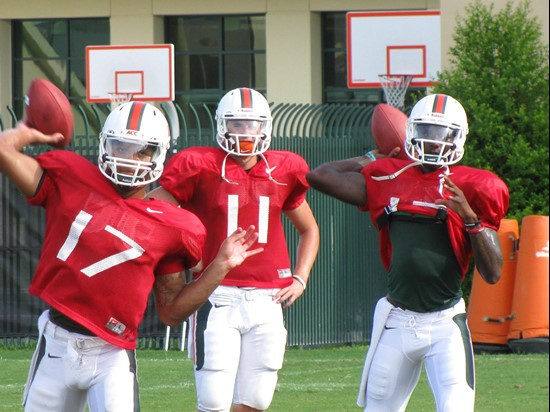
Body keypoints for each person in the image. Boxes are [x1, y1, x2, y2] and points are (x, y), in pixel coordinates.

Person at [0, 101, 263, 412]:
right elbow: (5, 152)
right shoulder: (71, 175)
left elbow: (171, 313)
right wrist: (25, 132)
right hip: (56, 342)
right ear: (104, 144)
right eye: (120, 146)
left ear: (159, 155)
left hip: (112, 354)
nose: (128, 159)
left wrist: (219, 267)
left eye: (142, 151)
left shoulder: (175, 225)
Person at [306, 94, 509, 412]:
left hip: (445, 323)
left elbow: (493, 273)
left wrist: (470, 219)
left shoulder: (476, 185)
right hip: (397, 321)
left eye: (442, 134)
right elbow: (319, 176)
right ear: (411, 132)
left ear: (458, 137)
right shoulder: (389, 175)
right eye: (426, 130)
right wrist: (370, 157)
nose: (433, 141)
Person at [149, 87, 320, 412]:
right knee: (213, 400)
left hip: (268, 298)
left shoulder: (284, 169)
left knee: (256, 400)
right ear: (221, 126)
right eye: (236, 124)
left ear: (265, 127)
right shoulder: (199, 164)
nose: (244, 133)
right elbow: (154, 210)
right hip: (217, 296)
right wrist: (192, 252)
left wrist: (300, 277)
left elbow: (309, 229)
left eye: (251, 124)